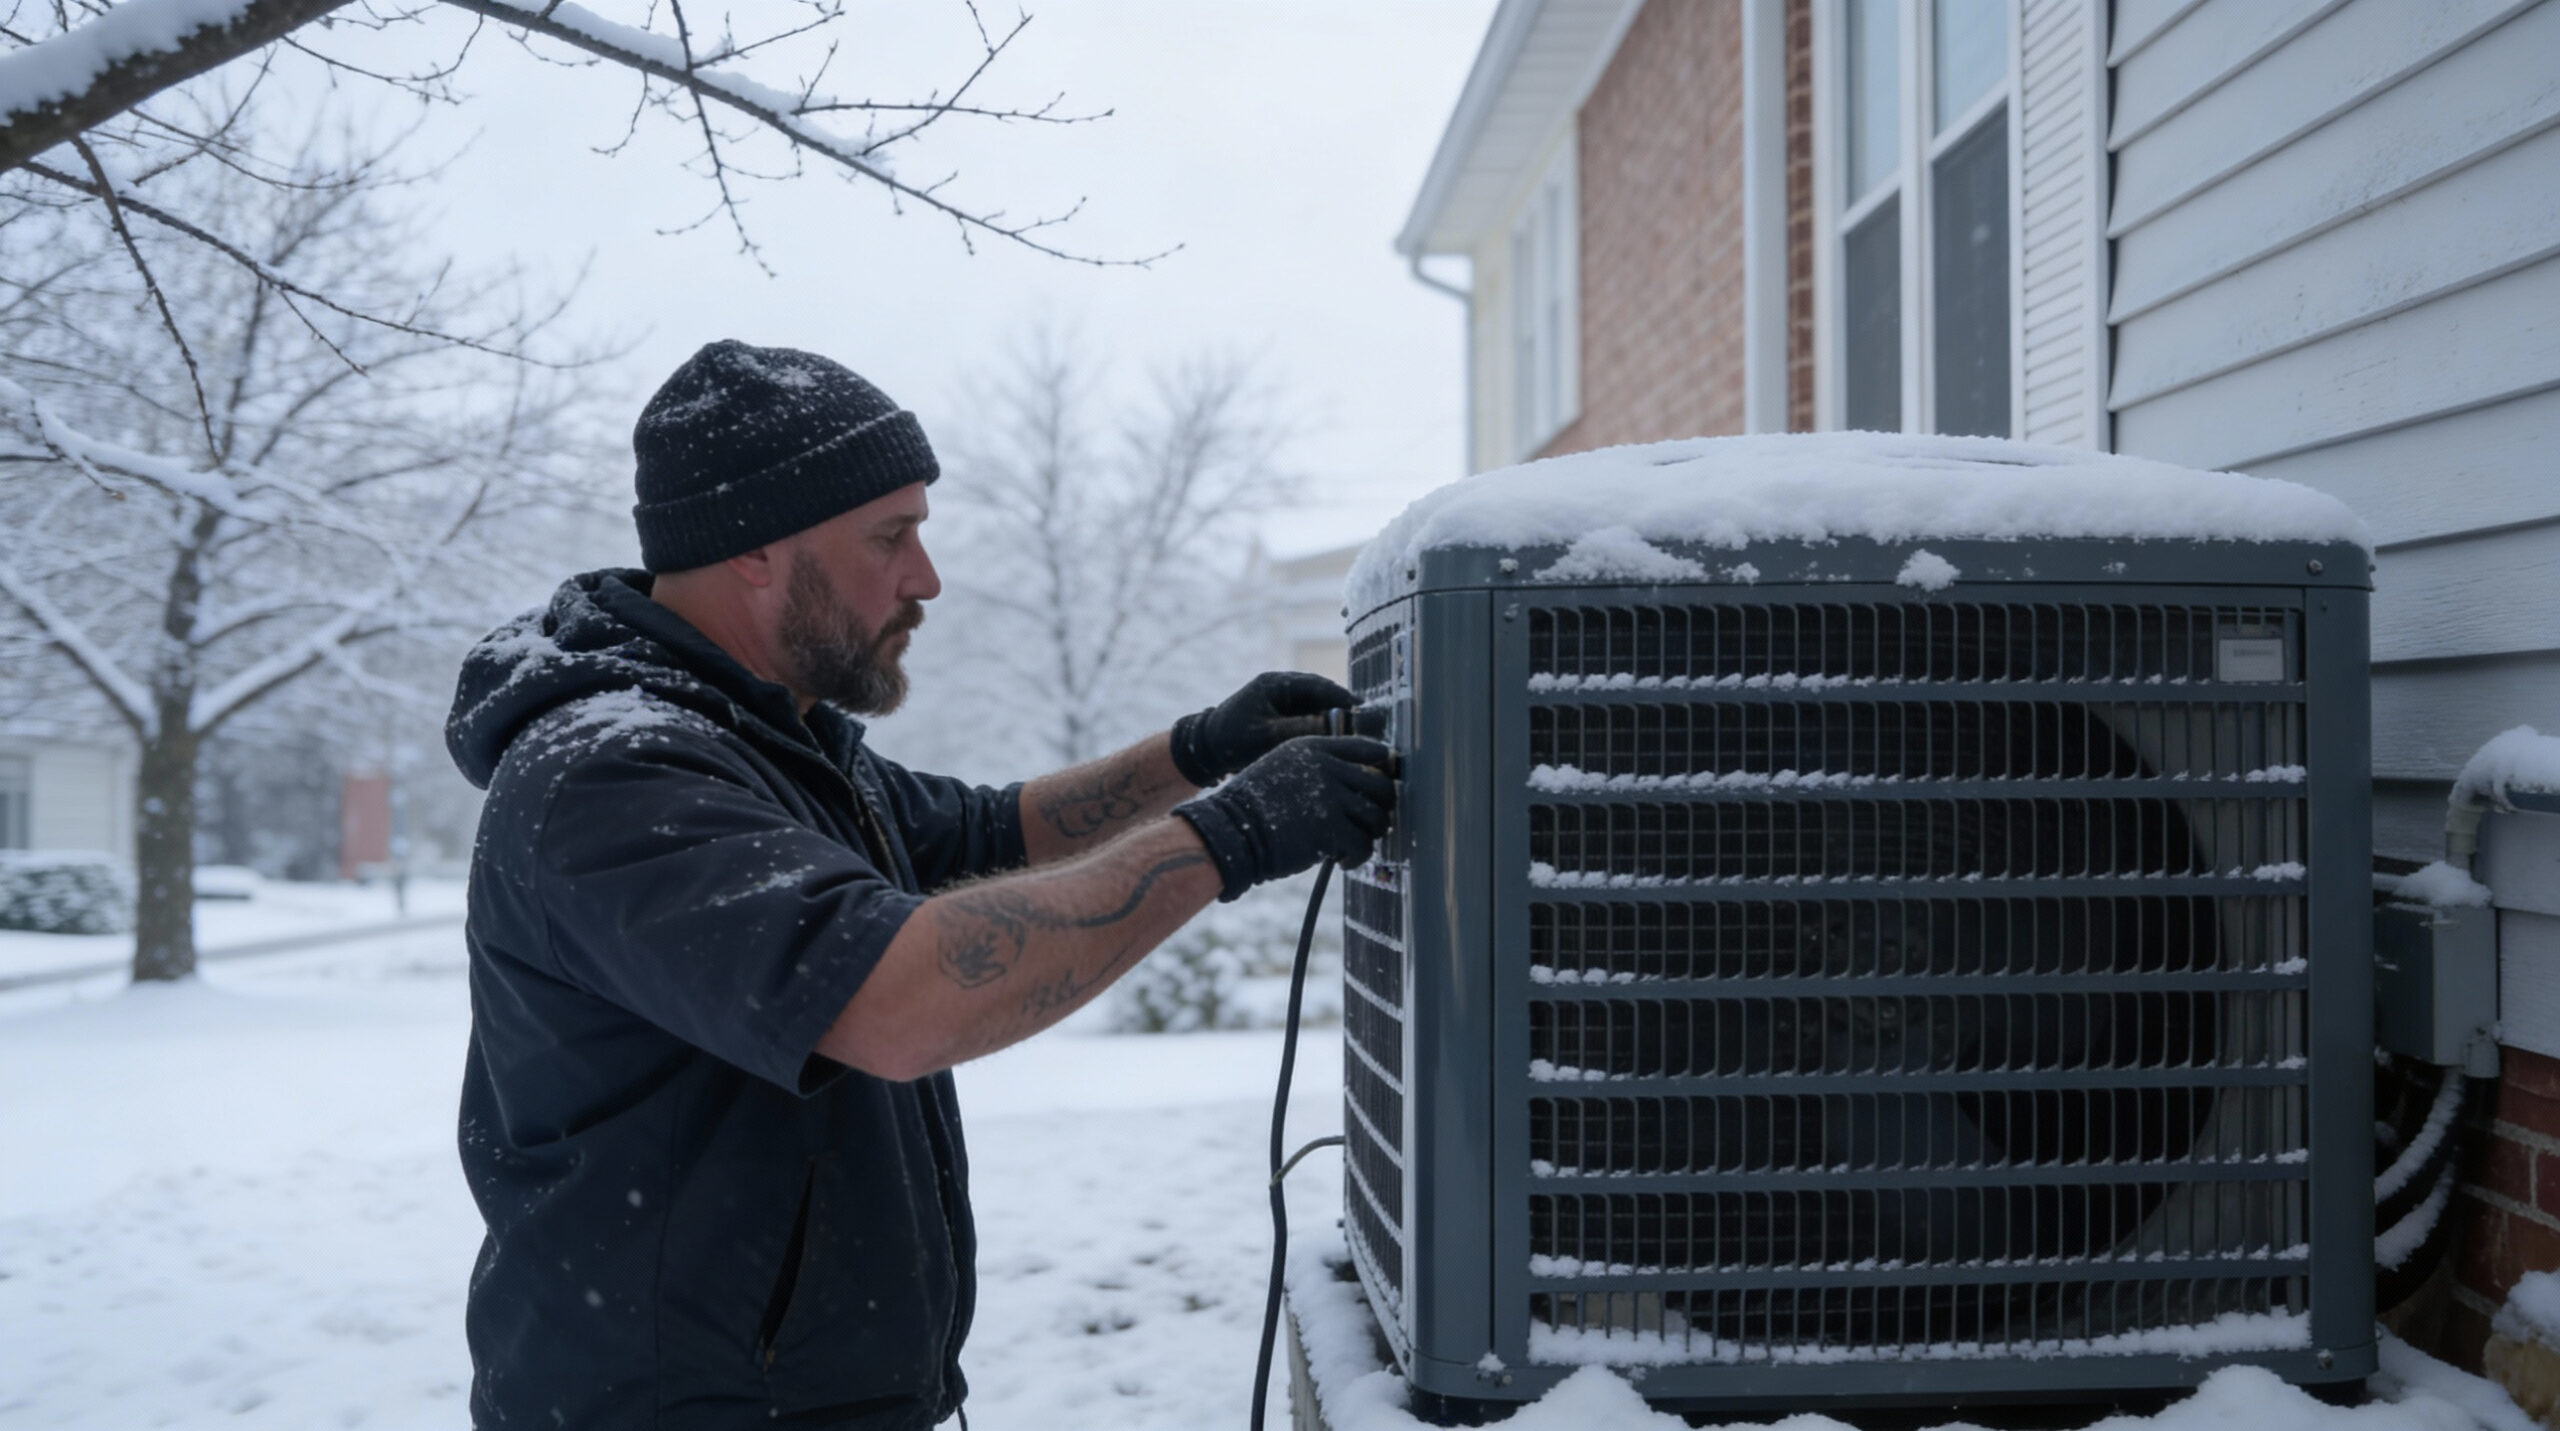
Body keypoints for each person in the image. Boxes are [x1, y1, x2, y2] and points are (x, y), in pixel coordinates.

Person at [444, 339, 1395, 1429]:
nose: (924, 579)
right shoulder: (616, 776)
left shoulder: (780, 741)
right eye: (890, 538)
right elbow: (898, 1004)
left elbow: (987, 833)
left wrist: (1195, 748)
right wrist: (1226, 836)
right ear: (754, 549)